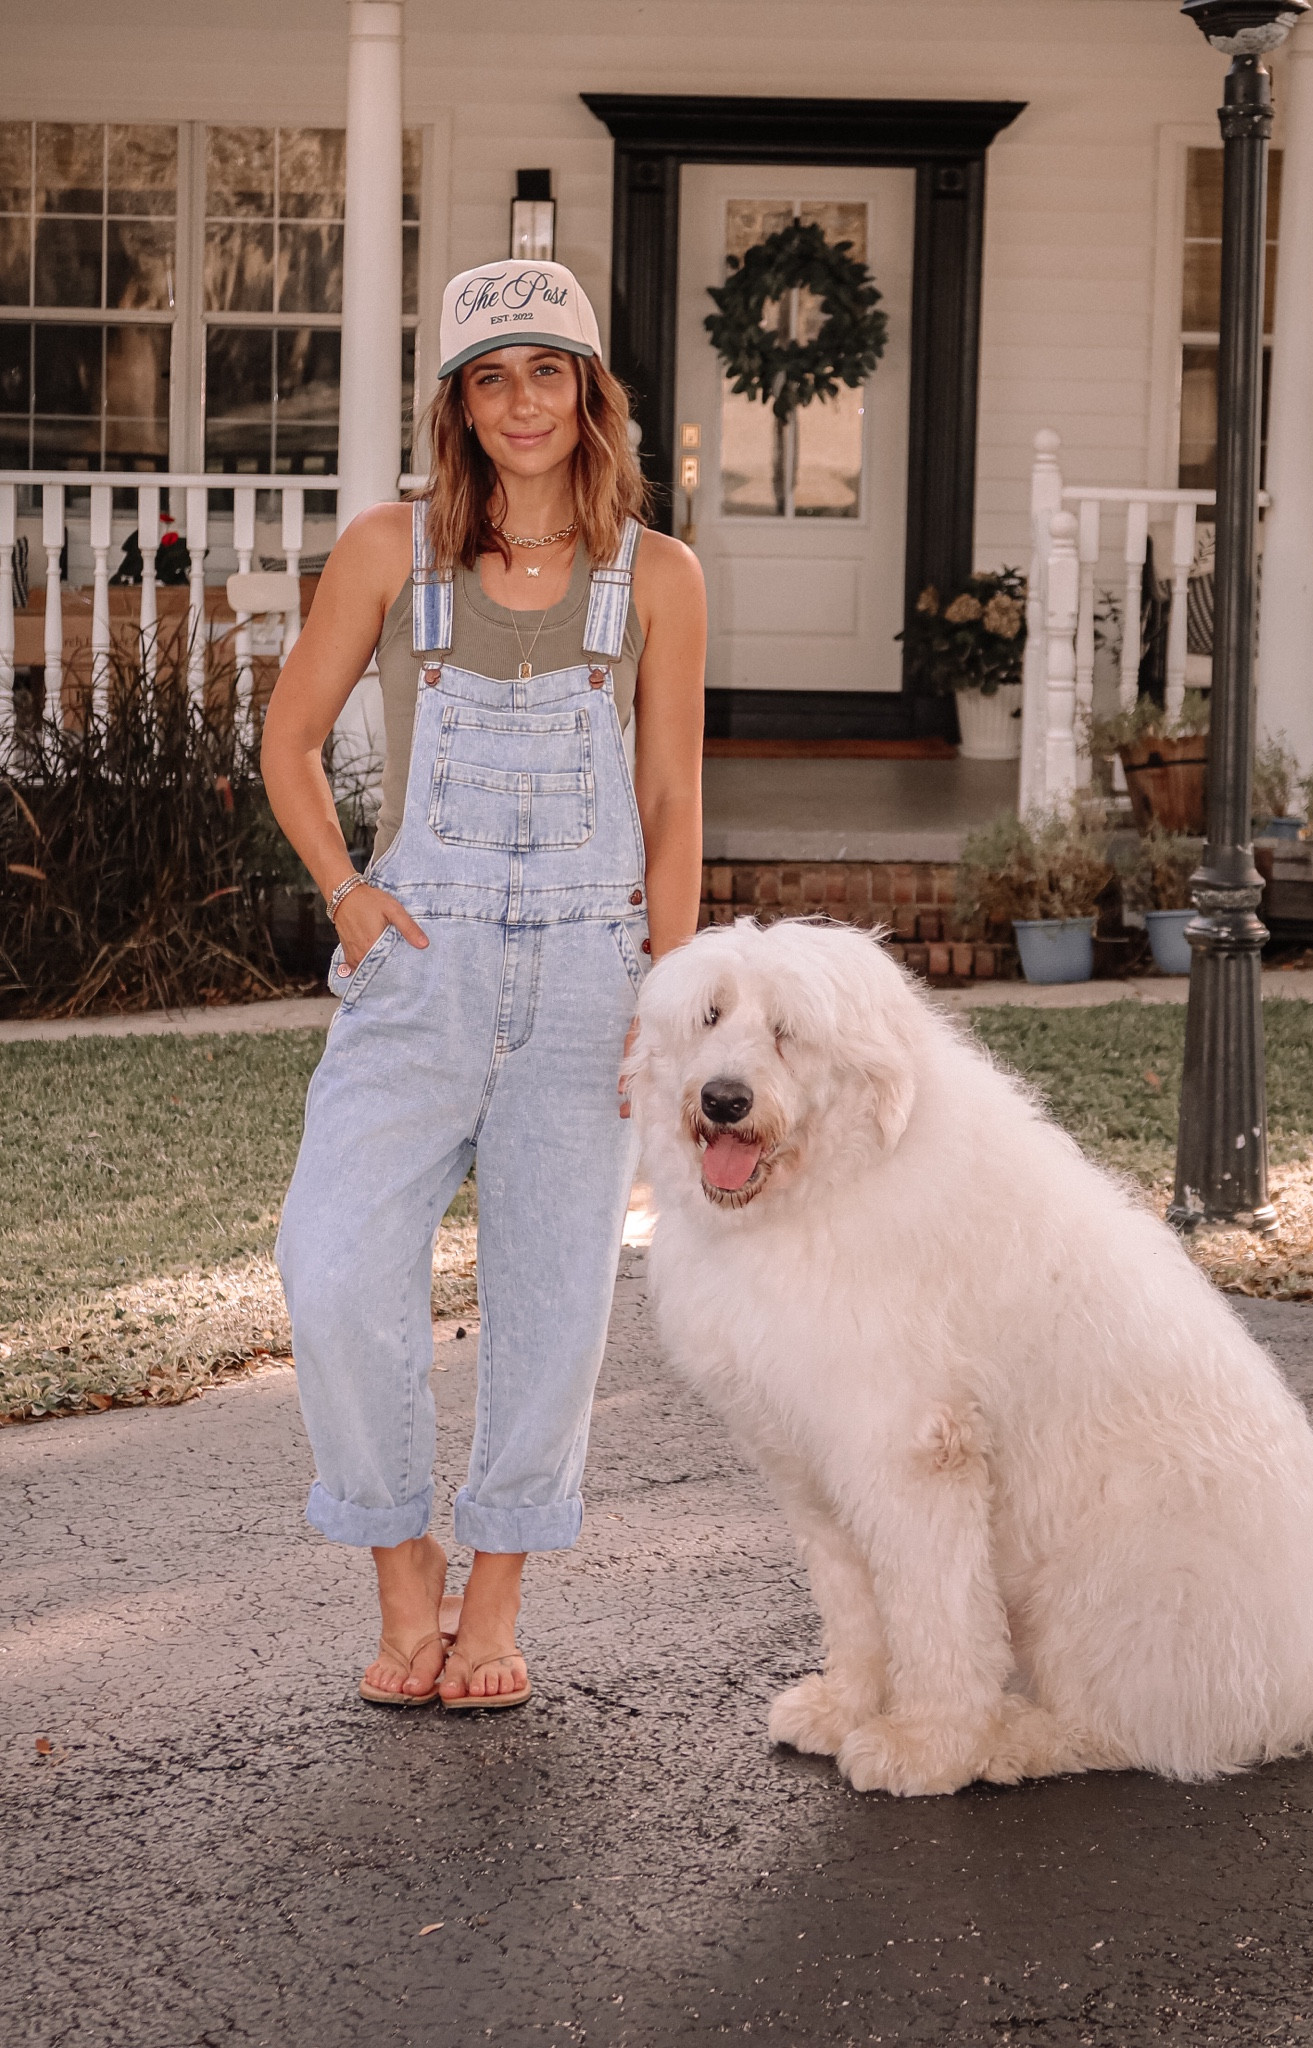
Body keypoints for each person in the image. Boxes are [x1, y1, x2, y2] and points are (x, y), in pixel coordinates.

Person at [262, 260, 706, 1711]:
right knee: (329, 1270)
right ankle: (403, 1571)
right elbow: (289, 742)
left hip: (590, 971)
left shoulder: (662, 576)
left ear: (591, 395)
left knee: (554, 1303)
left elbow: (671, 801)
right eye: (492, 376)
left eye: (549, 371)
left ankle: (496, 1593)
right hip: (418, 971)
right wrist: (349, 892)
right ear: (458, 403)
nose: (524, 403)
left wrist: (667, 1001)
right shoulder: (393, 551)